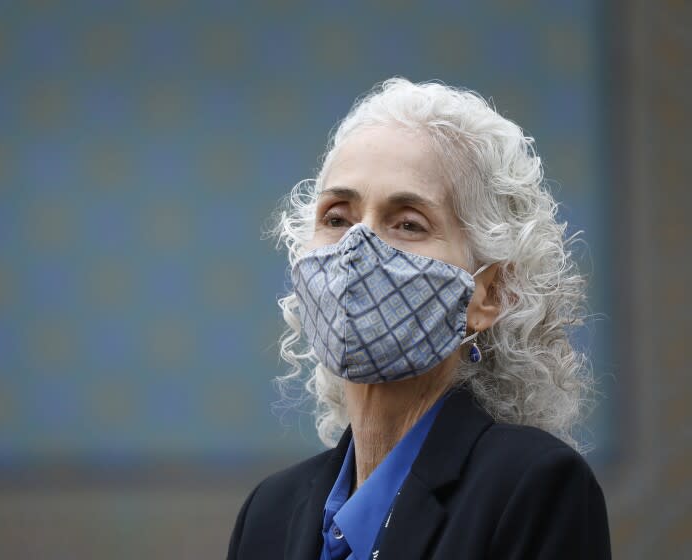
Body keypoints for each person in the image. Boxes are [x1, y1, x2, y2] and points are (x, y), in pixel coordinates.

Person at [227, 78, 611, 559]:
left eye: (408, 223)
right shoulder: (269, 512)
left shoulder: (530, 487)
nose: (356, 251)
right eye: (337, 218)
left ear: (487, 294)